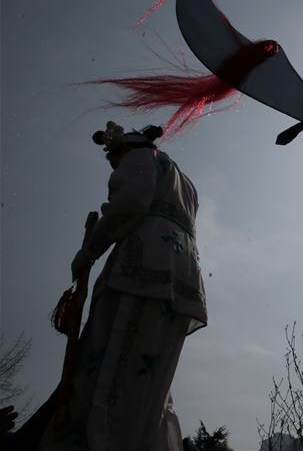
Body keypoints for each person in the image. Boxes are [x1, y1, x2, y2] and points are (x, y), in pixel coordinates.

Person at [40, 122, 206, 451]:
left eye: (113, 162)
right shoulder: (184, 181)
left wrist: (88, 251)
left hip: (142, 272)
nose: (115, 170)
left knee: (111, 368)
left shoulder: (140, 157)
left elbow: (129, 202)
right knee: (148, 387)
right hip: (183, 282)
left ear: (122, 150)